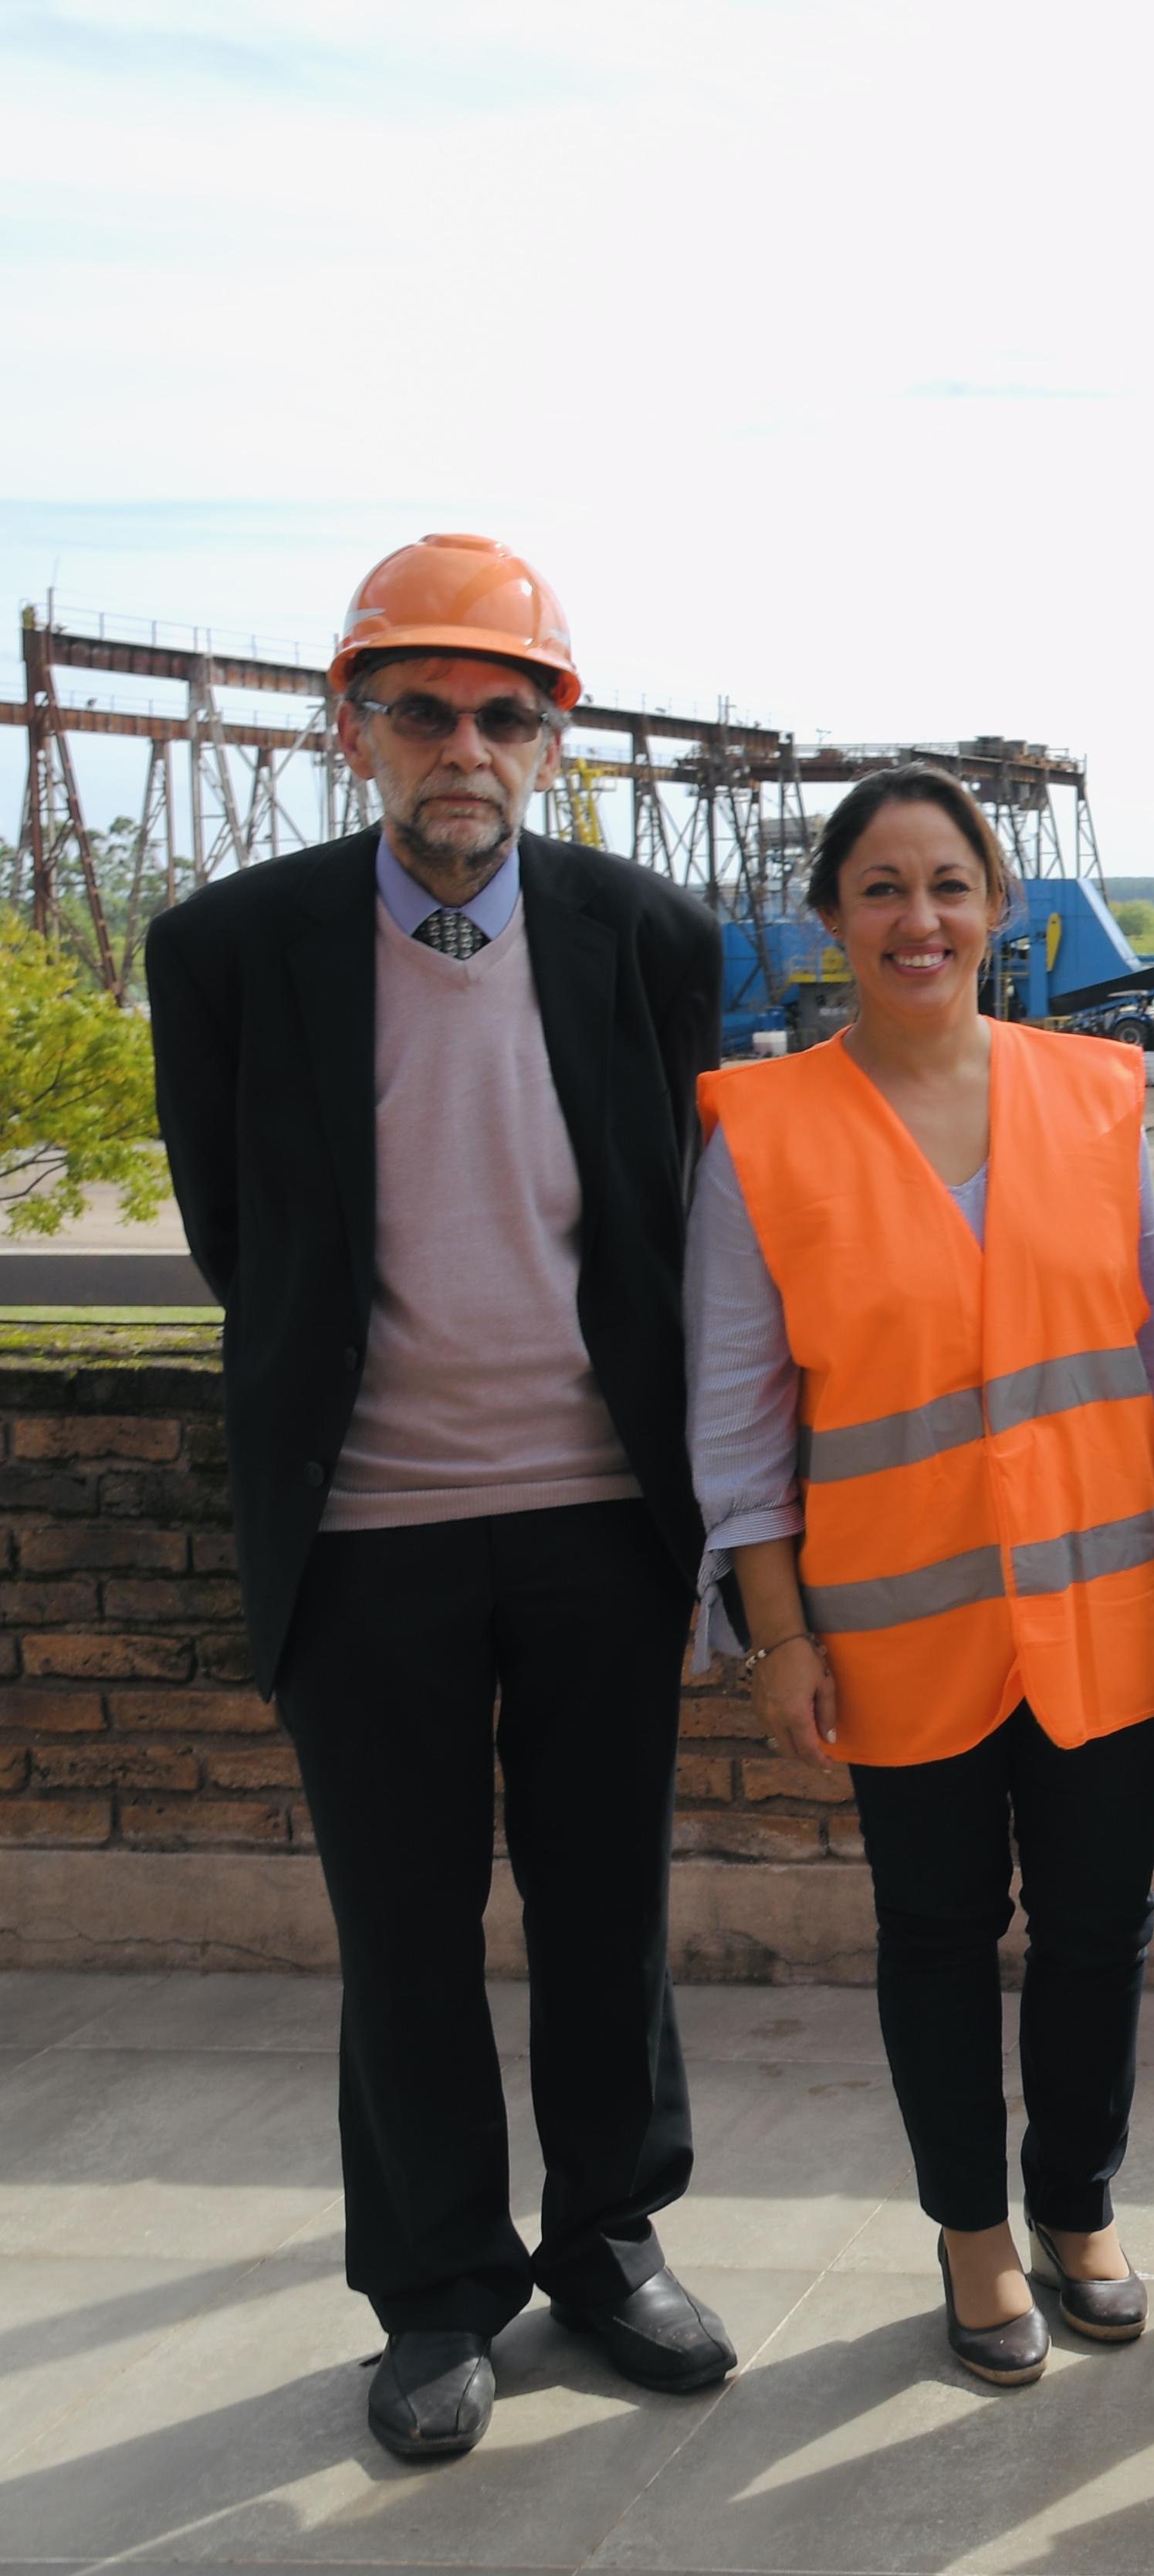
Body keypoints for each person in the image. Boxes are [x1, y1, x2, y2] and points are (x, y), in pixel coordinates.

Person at [144, 535, 729, 2459]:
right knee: (402, 1927)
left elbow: (668, 1232)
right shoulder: (231, 952)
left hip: (595, 1518)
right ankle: (434, 2292)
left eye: (502, 710)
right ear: (354, 727)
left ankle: (608, 2237)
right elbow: (250, 1247)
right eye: (420, 710)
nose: (460, 744)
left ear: (552, 735)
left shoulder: (644, 938)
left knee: (601, 1909)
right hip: (369, 1529)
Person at [689, 766, 1154, 2388]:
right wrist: (775, 1634)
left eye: (952, 885)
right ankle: (973, 2236)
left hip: (1102, 1604)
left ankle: (1077, 2206)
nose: (921, 919)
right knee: (935, 1934)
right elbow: (738, 1411)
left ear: (1002, 909)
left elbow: (1151, 1346)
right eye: (884, 889)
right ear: (831, 917)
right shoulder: (759, 1129)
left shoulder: (1096, 1092)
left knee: (1100, 1929)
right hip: (893, 1622)